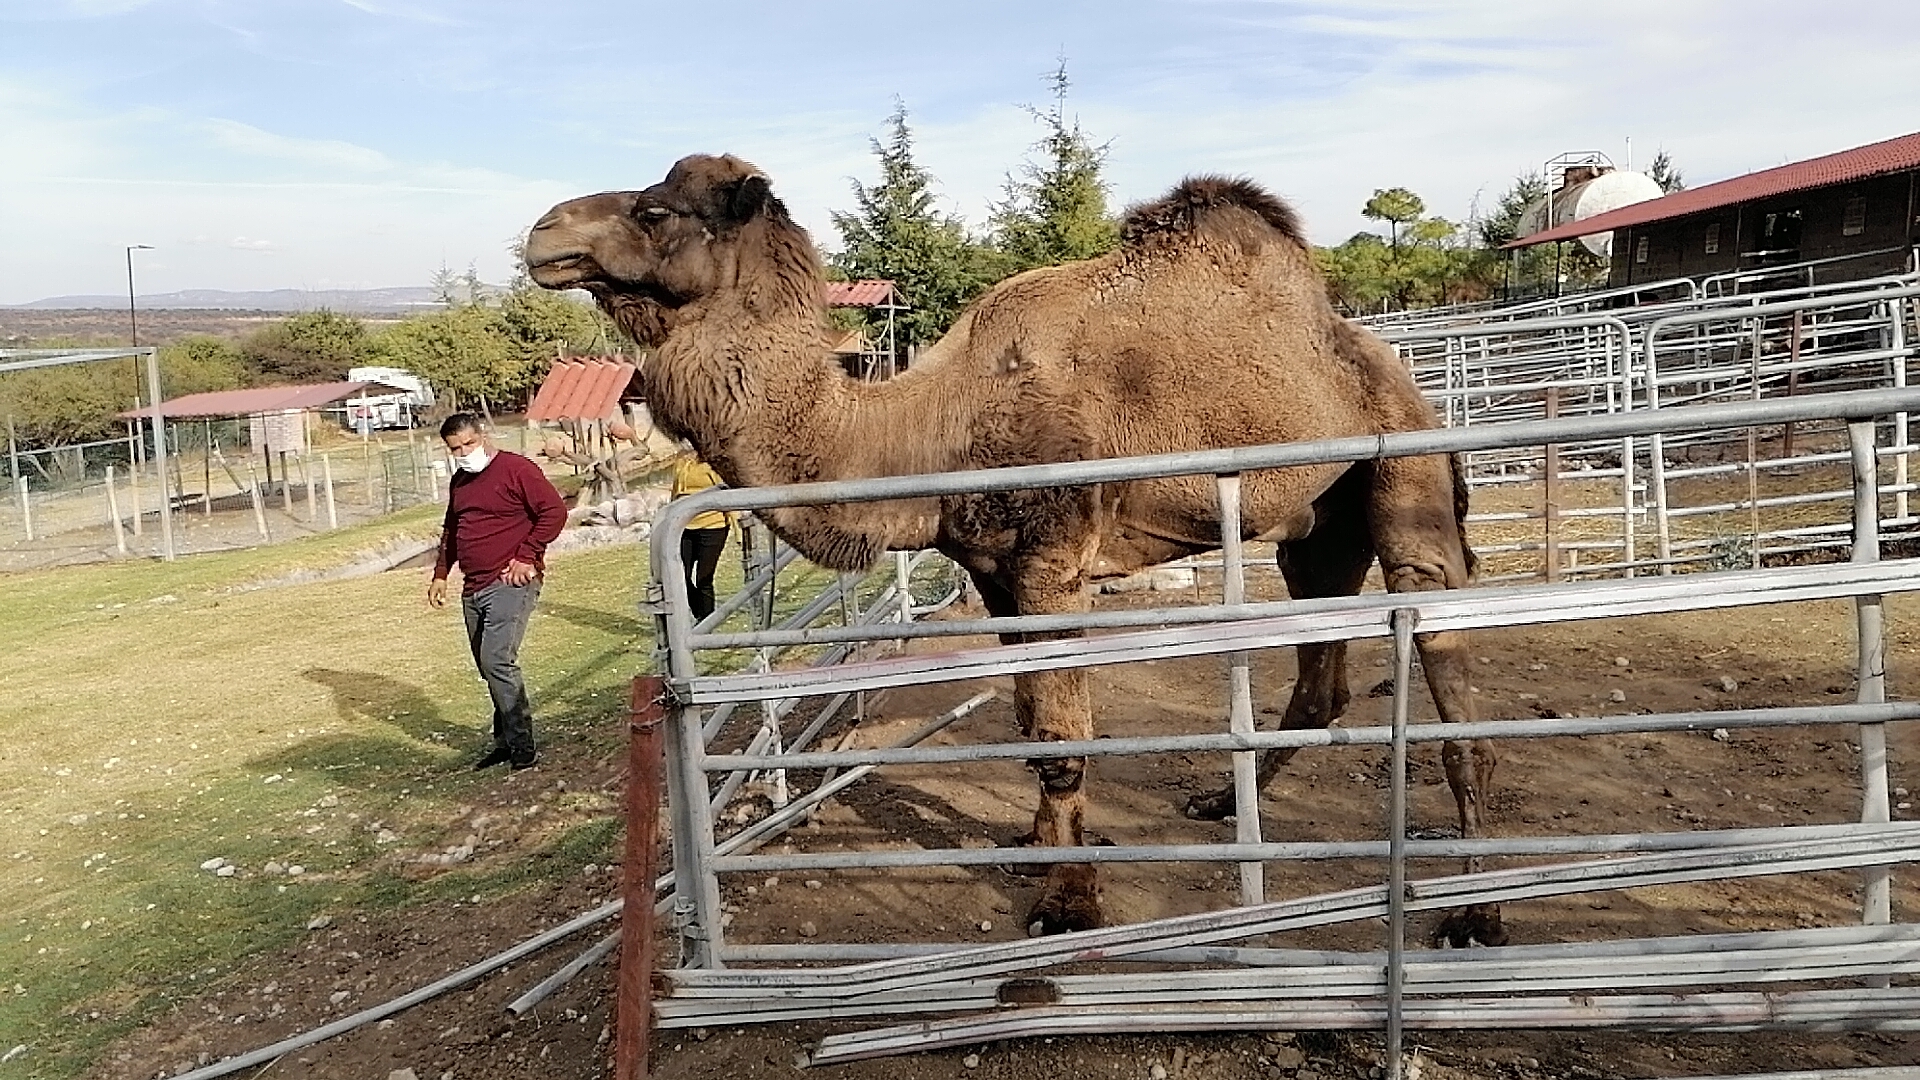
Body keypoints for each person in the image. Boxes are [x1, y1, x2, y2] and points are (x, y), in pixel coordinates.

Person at [429, 413, 568, 771]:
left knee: (497, 660)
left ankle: (524, 747)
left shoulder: (516, 469)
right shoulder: (460, 481)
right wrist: (441, 573)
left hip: (509, 582)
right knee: (487, 665)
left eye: (469, 444)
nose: (463, 453)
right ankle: (504, 740)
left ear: (483, 436)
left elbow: (553, 512)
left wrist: (527, 556)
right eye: (455, 448)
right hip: (472, 586)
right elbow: (452, 528)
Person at [670, 449, 733, 622]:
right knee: (681, 574)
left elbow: (727, 493)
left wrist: (738, 527)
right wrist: (670, 519)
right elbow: (675, 492)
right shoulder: (681, 459)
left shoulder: (713, 461)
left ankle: (707, 620)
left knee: (704, 578)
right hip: (685, 526)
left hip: (712, 526)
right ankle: (698, 613)